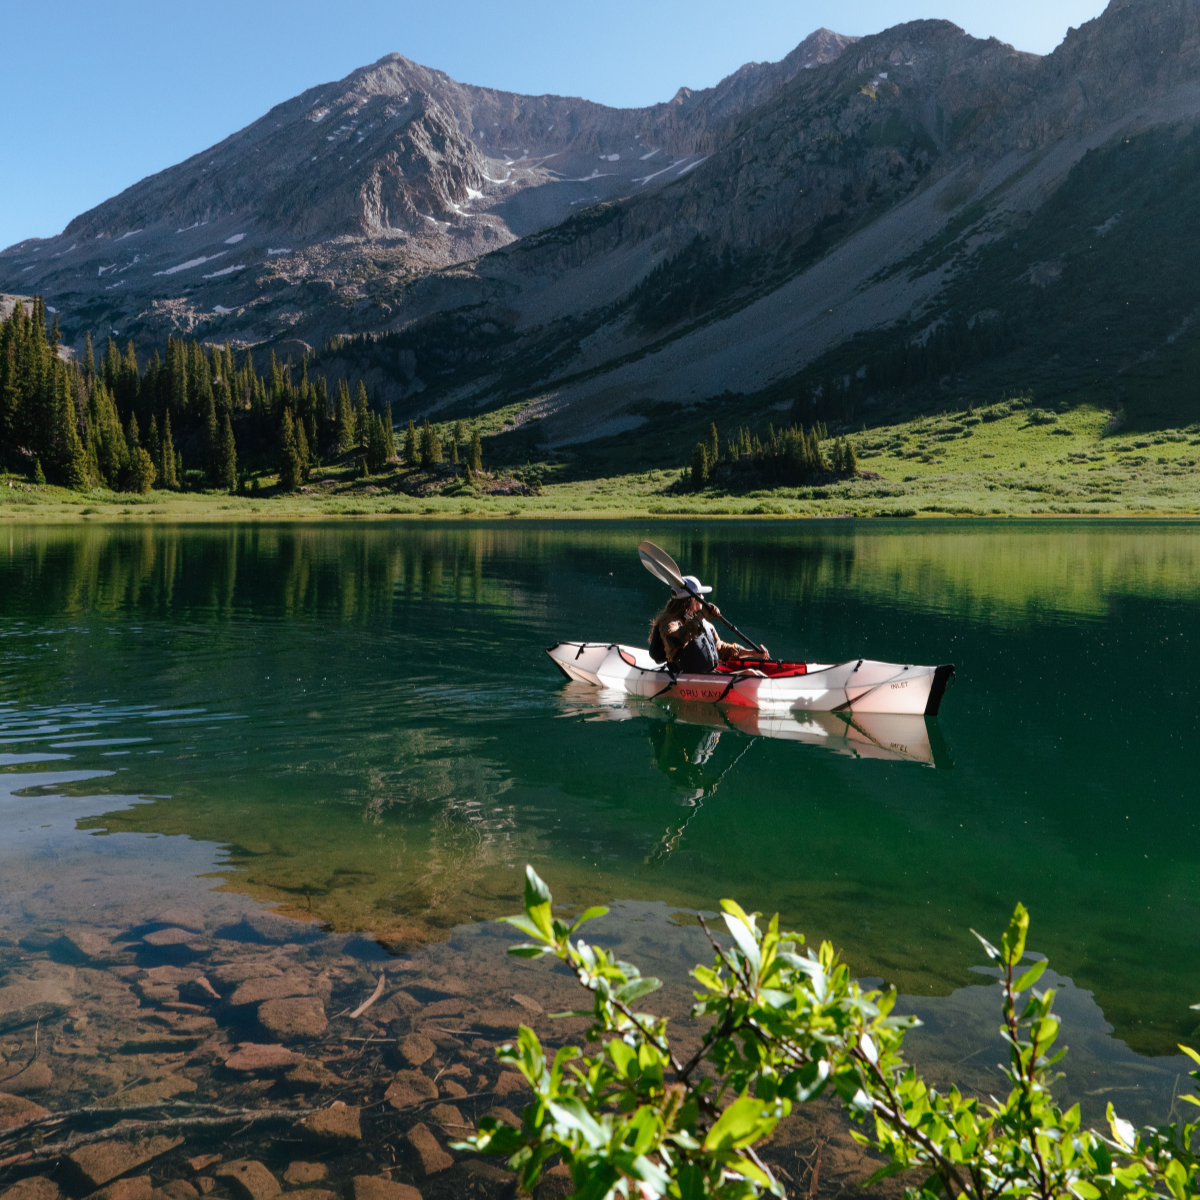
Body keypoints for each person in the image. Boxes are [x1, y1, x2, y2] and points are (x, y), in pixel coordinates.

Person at [648, 574, 768, 673]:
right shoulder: (668, 622)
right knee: (750, 673)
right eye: (700, 594)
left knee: (755, 672)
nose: (703, 597)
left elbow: (720, 649)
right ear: (692, 599)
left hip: (707, 674)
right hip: (685, 675)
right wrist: (701, 616)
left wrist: (752, 653)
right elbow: (676, 639)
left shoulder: (703, 622)